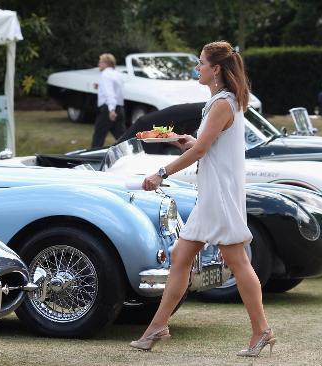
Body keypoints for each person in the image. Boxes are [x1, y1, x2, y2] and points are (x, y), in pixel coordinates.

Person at [130, 41, 275, 357]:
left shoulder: (222, 102)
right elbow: (206, 145)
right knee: (181, 258)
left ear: (216, 69)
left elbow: (202, 151)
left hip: (219, 195)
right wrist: (191, 142)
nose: (198, 68)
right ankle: (157, 326)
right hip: (213, 194)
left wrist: (161, 173)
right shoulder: (223, 102)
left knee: (237, 261)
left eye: (201, 63)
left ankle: (261, 330)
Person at [91, 53, 125, 148]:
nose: (99, 64)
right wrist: (100, 86)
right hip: (119, 108)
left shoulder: (105, 74)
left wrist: (111, 110)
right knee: (122, 138)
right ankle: (133, 154)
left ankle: (92, 158)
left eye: (100, 62)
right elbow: (116, 91)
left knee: (98, 137)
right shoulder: (117, 74)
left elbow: (110, 93)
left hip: (108, 109)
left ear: (106, 63)